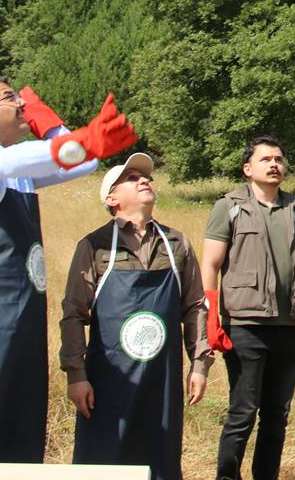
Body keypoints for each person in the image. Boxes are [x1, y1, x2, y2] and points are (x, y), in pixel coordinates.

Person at [0, 77, 137, 463]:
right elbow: (15, 159)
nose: (21, 105)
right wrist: (76, 139)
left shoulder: (21, 169)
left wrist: (51, 124)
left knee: (21, 421)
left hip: (21, 312)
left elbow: (84, 162)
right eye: (10, 99)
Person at [61, 152, 214, 480]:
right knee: (103, 463)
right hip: (107, 383)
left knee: (158, 463)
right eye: (131, 178)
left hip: (162, 382)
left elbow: (195, 307)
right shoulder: (95, 246)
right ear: (111, 198)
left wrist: (200, 364)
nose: (144, 180)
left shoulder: (176, 244)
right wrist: (76, 375)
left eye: (146, 177)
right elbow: (73, 315)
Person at [201, 135, 295, 480]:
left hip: (287, 325)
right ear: (248, 169)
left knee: (277, 415)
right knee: (243, 412)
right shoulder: (228, 207)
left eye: (278, 159)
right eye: (265, 159)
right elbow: (210, 264)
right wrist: (211, 316)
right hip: (244, 325)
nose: (274, 164)